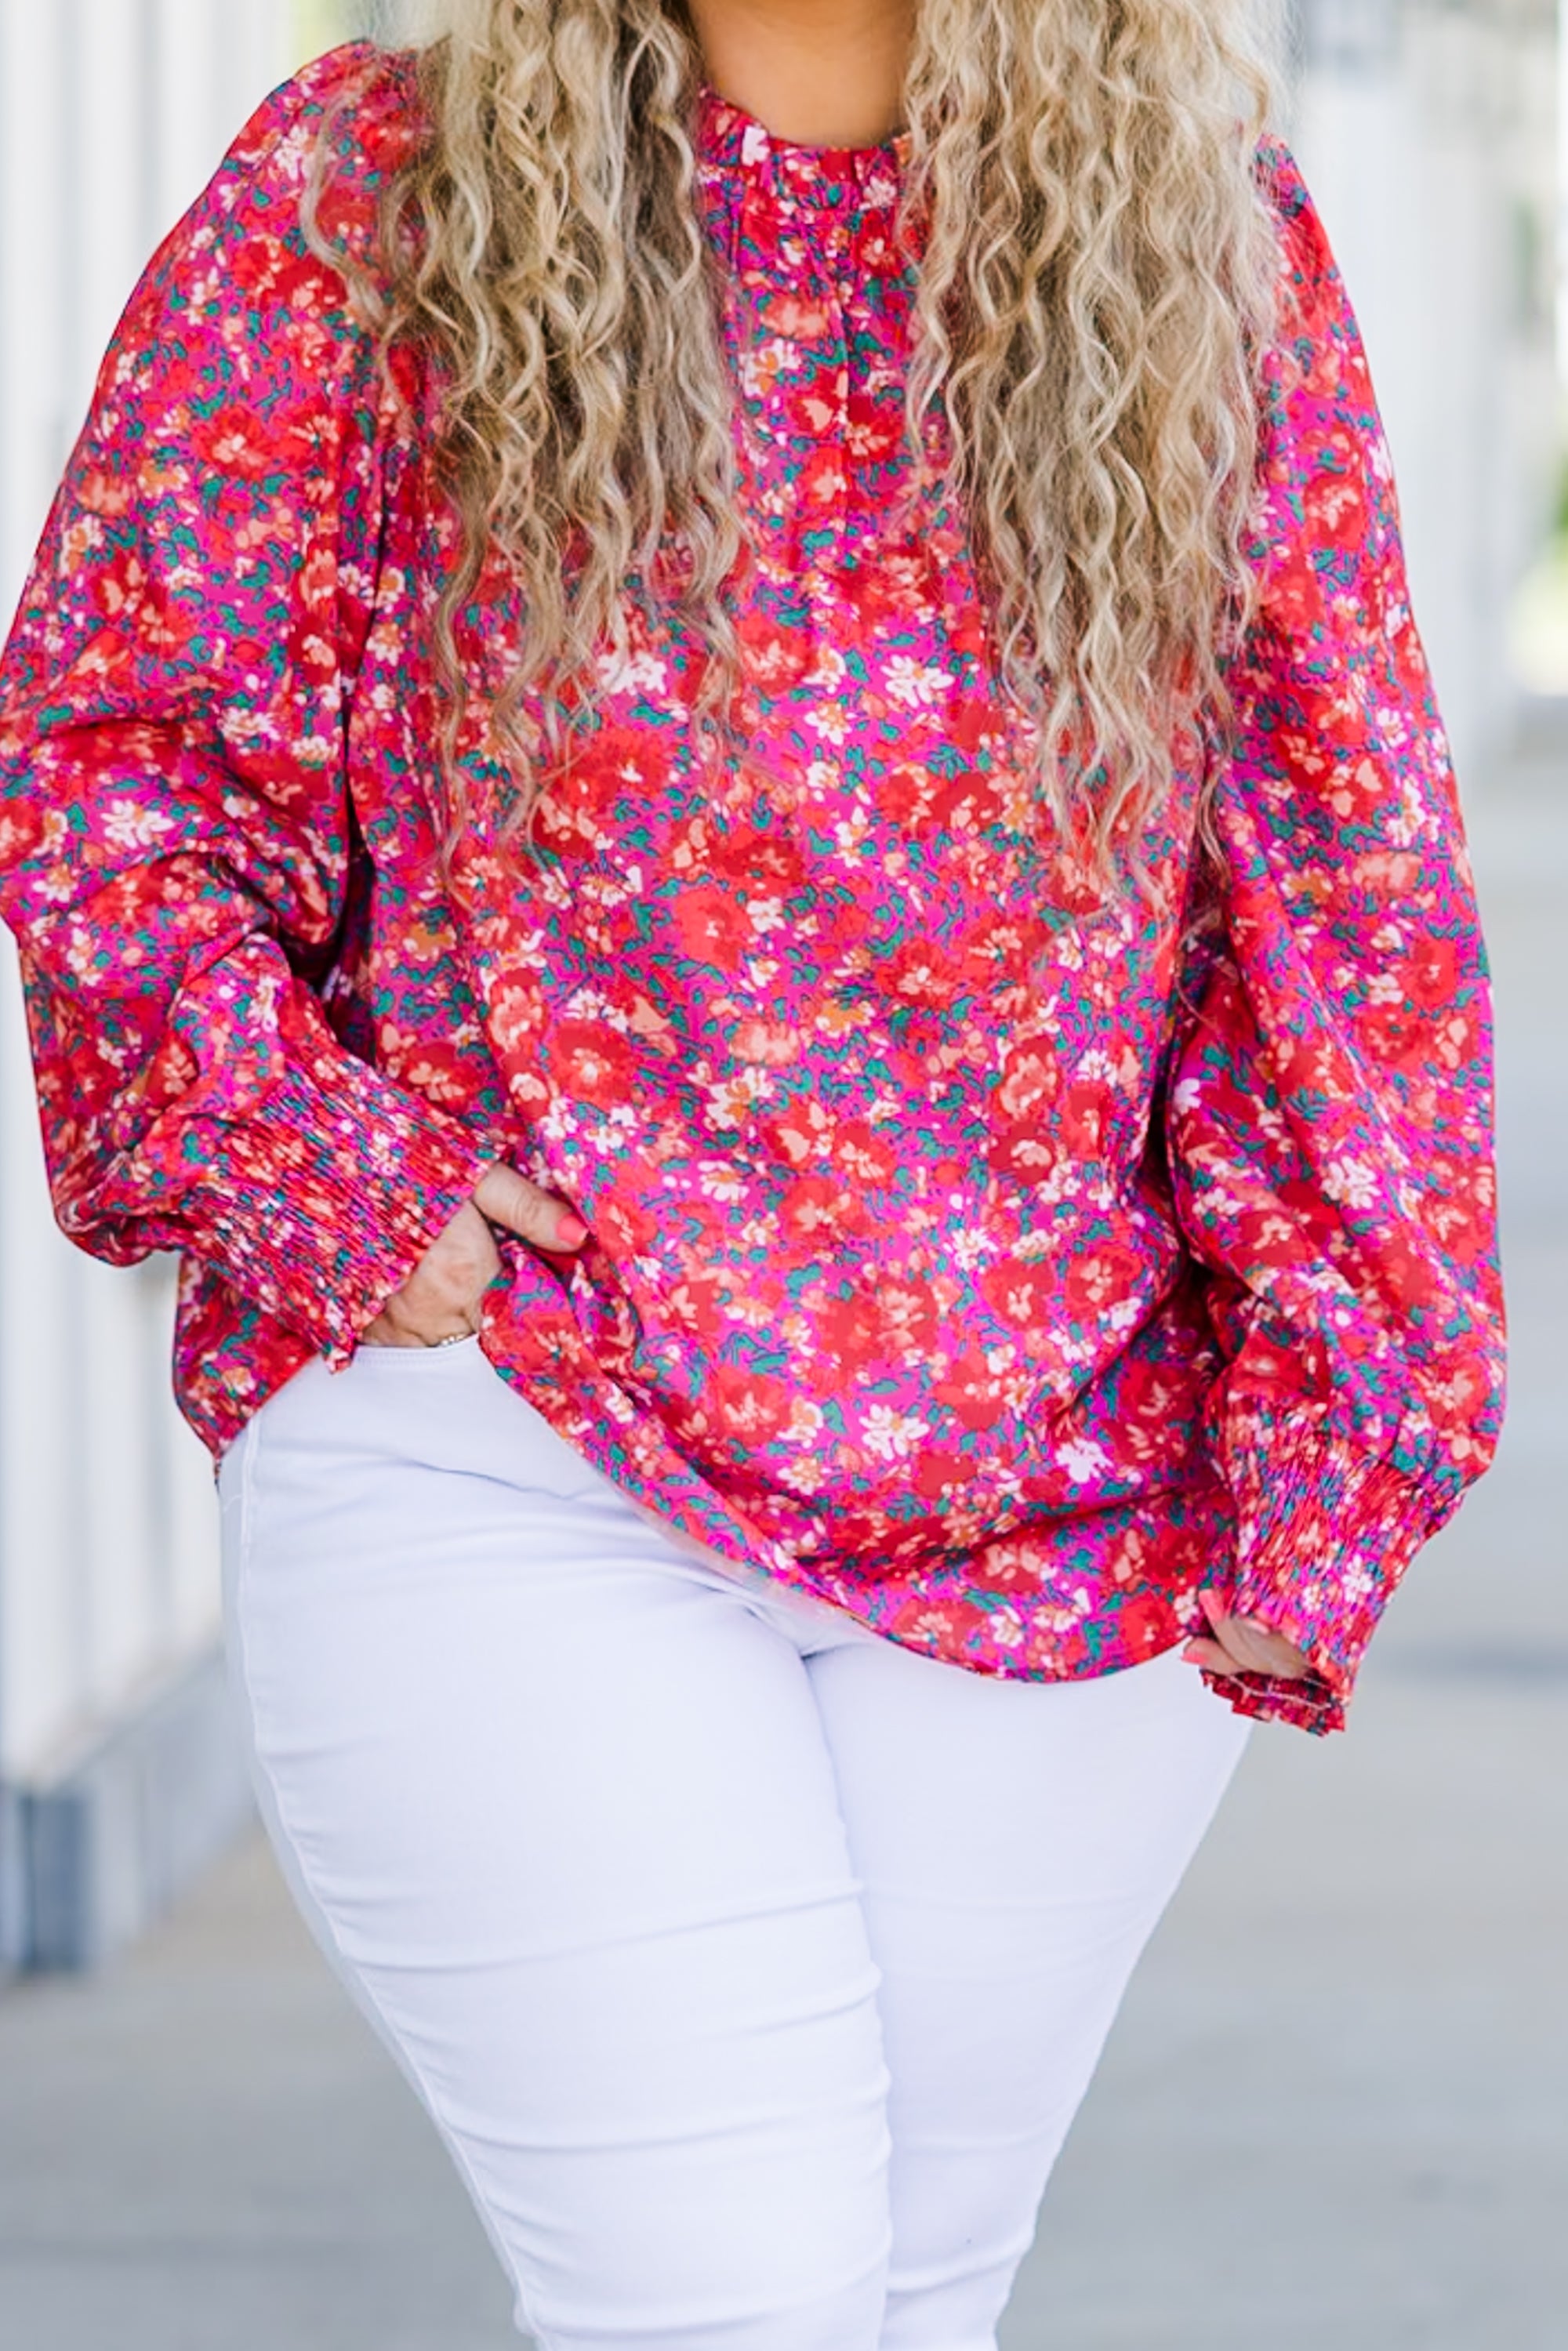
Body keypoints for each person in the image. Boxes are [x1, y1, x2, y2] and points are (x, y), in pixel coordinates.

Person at [0, 2, 1505, 2345]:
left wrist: (1335, 1426)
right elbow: (116, 761)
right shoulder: (372, 193)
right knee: (735, 2306)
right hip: (516, 1442)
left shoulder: (1203, 234)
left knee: (908, 2301)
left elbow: (1342, 870)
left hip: (1071, 1503)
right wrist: (342, 1192)